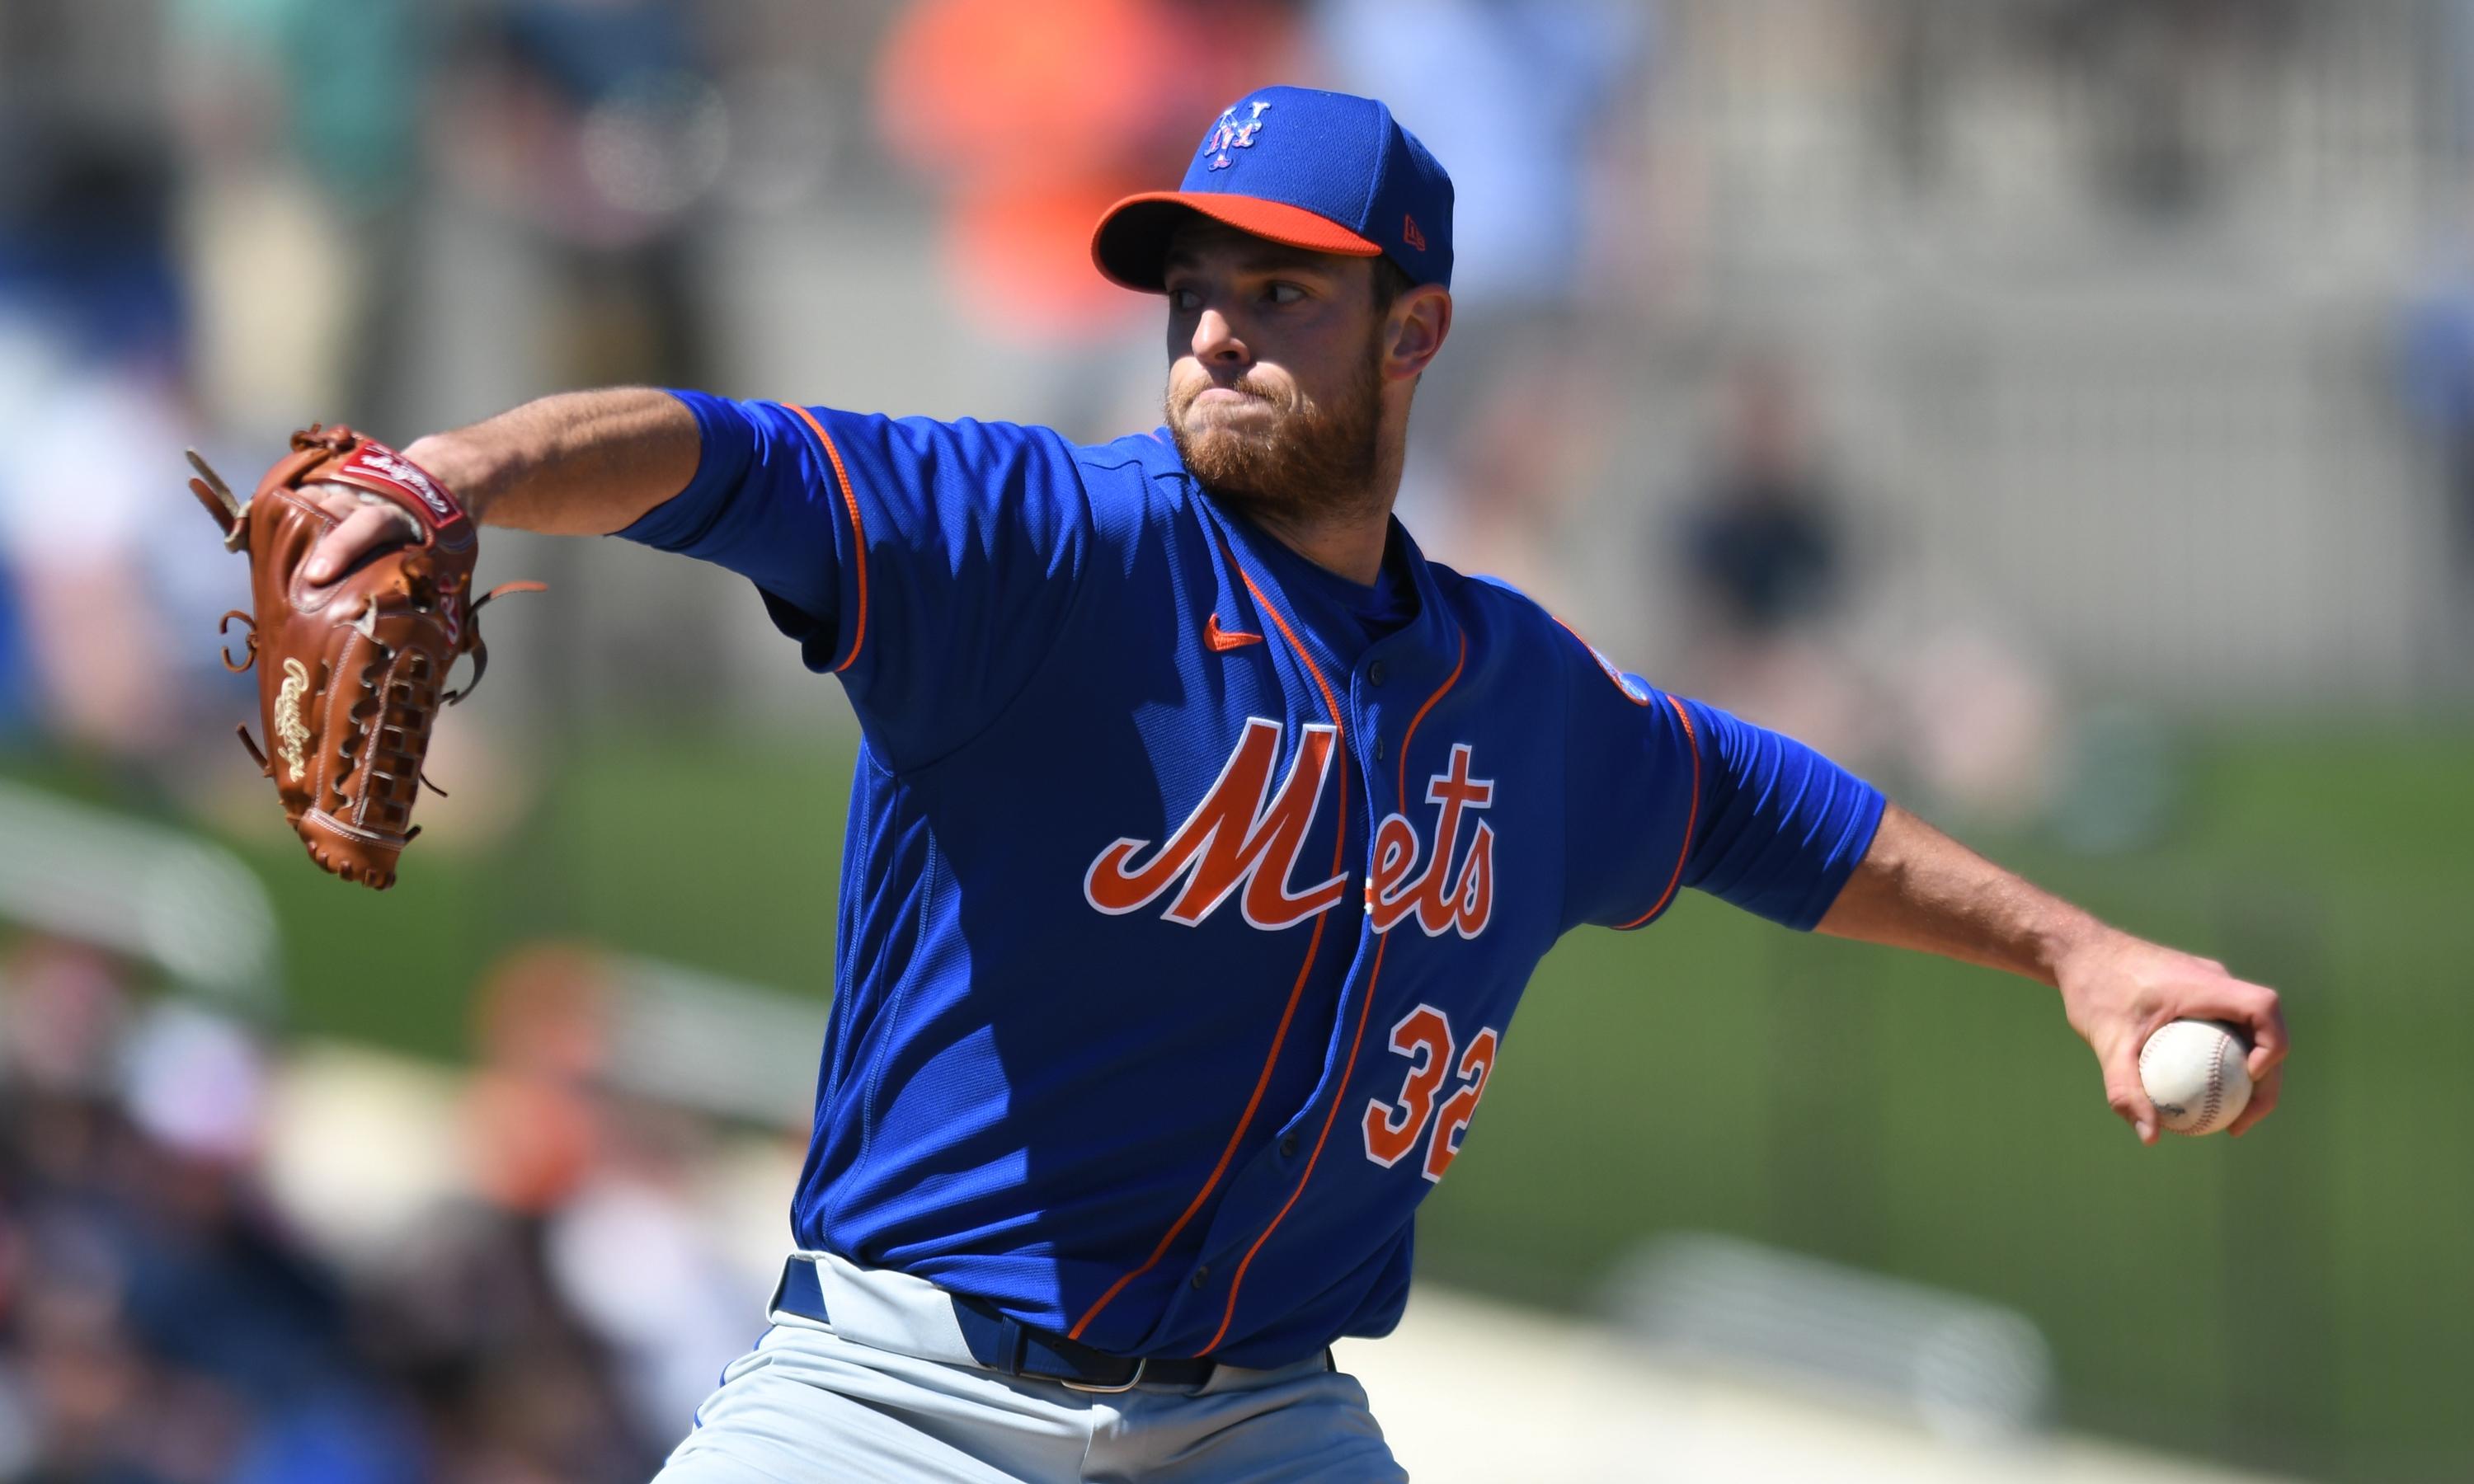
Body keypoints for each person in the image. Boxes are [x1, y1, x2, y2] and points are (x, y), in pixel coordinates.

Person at [291, 85, 2287, 1483]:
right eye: (1197, 291)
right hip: (899, 1405)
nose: (1221, 334)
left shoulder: (1522, 694)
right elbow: (716, 455)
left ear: (1414, 331)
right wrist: (456, 473)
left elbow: (1778, 817)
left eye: (1285, 292)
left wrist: (2082, 955)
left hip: (1263, 1426)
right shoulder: (1038, 546)